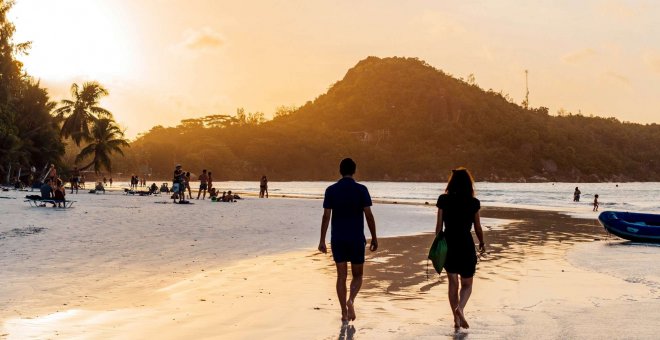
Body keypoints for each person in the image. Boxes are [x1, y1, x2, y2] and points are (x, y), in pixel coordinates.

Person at [318, 158, 378, 323]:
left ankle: (344, 313)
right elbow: (369, 215)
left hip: (338, 239)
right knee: (357, 275)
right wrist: (374, 237)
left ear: (340, 171)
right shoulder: (361, 190)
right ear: (354, 171)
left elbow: (326, 216)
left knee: (341, 276)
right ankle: (350, 300)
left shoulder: (331, 190)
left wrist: (322, 240)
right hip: (356, 239)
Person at [435, 167, 485, 330]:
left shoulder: (443, 199)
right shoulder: (473, 203)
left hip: (449, 242)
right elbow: (477, 227)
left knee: (452, 283)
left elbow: (438, 227)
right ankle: (461, 308)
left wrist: (438, 244)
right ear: (468, 184)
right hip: (465, 243)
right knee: (467, 283)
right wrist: (482, 243)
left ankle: (455, 319)